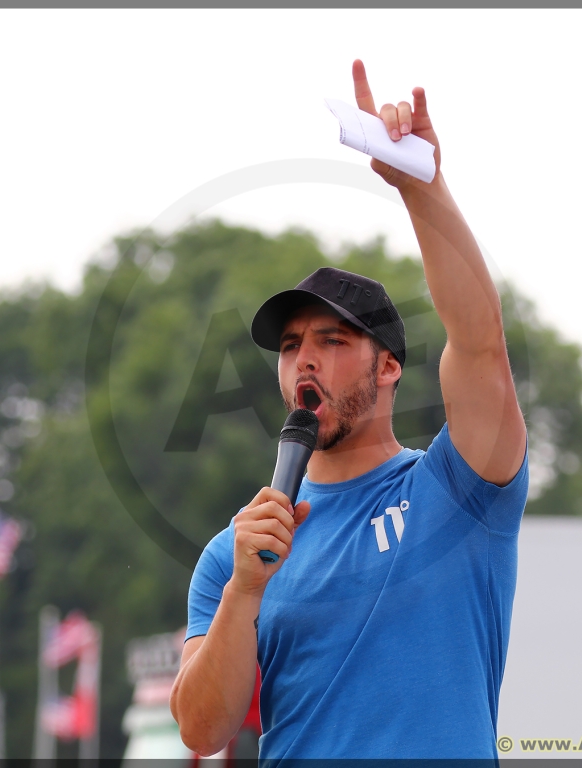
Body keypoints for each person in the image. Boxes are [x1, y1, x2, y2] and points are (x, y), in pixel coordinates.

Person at [170, 60, 529, 761]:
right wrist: (246, 590)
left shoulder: (457, 495)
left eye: (333, 341)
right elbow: (202, 730)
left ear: (389, 366)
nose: (305, 359)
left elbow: (481, 345)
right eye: (291, 345)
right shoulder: (235, 552)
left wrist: (421, 187)